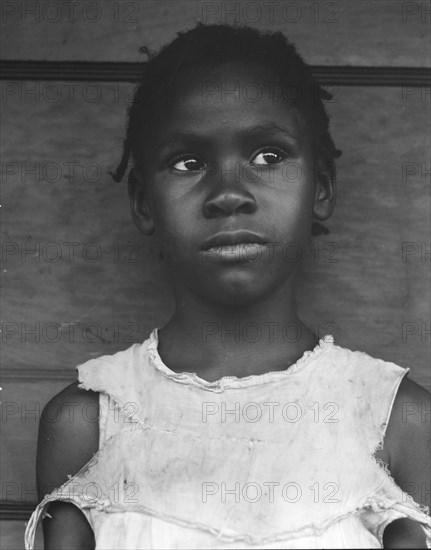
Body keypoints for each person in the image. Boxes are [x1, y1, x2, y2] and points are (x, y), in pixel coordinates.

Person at [25, 23, 430, 549]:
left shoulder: (394, 418)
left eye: (268, 156)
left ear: (320, 189)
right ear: (145, 202)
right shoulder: (88, 423)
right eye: (188, 162)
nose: (229, 193)